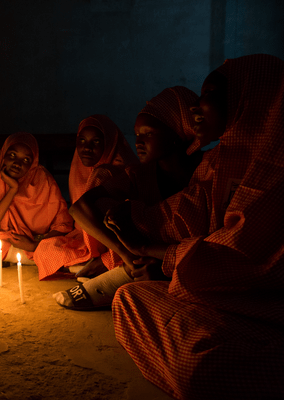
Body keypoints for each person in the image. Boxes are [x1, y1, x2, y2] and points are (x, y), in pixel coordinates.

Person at [110, 54, 284, 399]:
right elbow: (189, 211)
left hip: (271, 309)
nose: (197, 106)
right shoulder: (219, 159)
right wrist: (136, 219)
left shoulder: (281, 168)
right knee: (129, 298)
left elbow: (240, 256)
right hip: (226, 300)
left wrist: (148, 249)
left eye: (211, 94)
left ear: (252, 99)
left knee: (203, 369)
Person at [54, 86, 201, 310]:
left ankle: (138, 275)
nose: (139, 142)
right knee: (106, 207)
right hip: (142, 256)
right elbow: (79, 208)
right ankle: (132, 271)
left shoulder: (208, 170)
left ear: (176, 132)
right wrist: (127, 254)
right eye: (137, 135)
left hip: (193, 258)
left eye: (148, 133)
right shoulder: (139, 175)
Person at [36, 115, 138, 279]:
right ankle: (90, 265)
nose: (86, 148)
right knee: (45, 248)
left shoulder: (111, 171)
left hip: (117, 241)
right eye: (82, 140)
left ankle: (104, 263)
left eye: (96, 142)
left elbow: (80, 210)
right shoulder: (80, 168)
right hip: (88, 234)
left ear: (110, 143)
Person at [0, 132, 74, 279]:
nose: (17, 163)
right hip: (6, 240)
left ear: (33, 164)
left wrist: (34, 245)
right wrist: (12, 190)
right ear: (3, 155)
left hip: (39, 240)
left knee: (71, 244)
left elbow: (63, 225)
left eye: (26, 160)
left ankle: (34, 255)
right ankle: (33, 259)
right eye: (12, 155)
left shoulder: (44, 181)